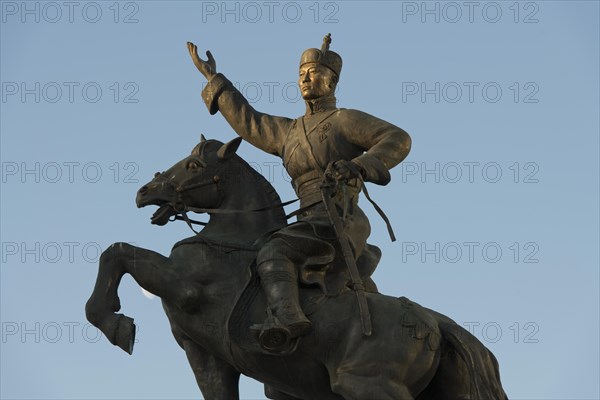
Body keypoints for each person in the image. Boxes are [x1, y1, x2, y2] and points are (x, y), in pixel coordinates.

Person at [187, 34, 411, 352]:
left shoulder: (344, 119)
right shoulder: (289, 132)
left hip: (339, 217)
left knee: (273, 250)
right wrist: (214, 78)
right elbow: (249, 121)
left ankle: (289, 318)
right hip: (306, 219)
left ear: (331, 81)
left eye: (314, 72)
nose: (305, 78)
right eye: (301, 73)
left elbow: (397, 138)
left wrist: (360, 166)